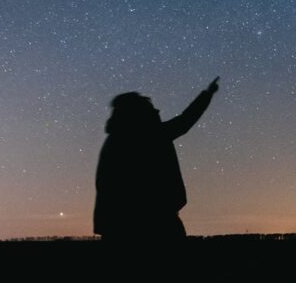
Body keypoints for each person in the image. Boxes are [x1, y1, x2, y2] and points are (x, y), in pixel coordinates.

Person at [94, 77, 220, 250]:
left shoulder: (116, 139)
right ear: (138, 114)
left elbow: (105, 186)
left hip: (119, 225)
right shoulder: (148, 134)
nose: (157, 111)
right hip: (155, 221)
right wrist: (207, 94)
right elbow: (185, 121)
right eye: (152, 109)